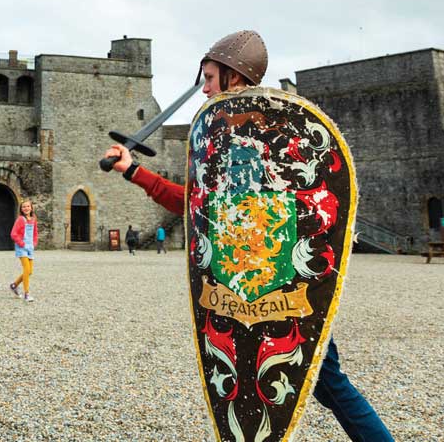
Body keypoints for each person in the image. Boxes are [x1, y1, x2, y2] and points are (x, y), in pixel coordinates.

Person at [103, 30, 393, 442]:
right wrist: (134, 171)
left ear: (233, 77)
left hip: (283, 293)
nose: (203, 87)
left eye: (208, 77)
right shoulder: (218, 138)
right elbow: (195, 204)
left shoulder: (276, 133)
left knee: (330, 383)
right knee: (328, 386)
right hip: (245, 295)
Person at [9, 199, 38, 302]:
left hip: (30, 247)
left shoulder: (34, 219)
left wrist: (34, 243)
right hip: (21, 247)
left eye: (28, 206)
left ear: (31, 207)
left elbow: (35, 233)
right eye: (23, 207)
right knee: (26, 269)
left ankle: (14, 285)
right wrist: (22, 243)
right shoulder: (20, 219)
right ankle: (27, 293)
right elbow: (13, 234)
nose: (26, 208)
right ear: (21, 209)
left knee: (30, 271)